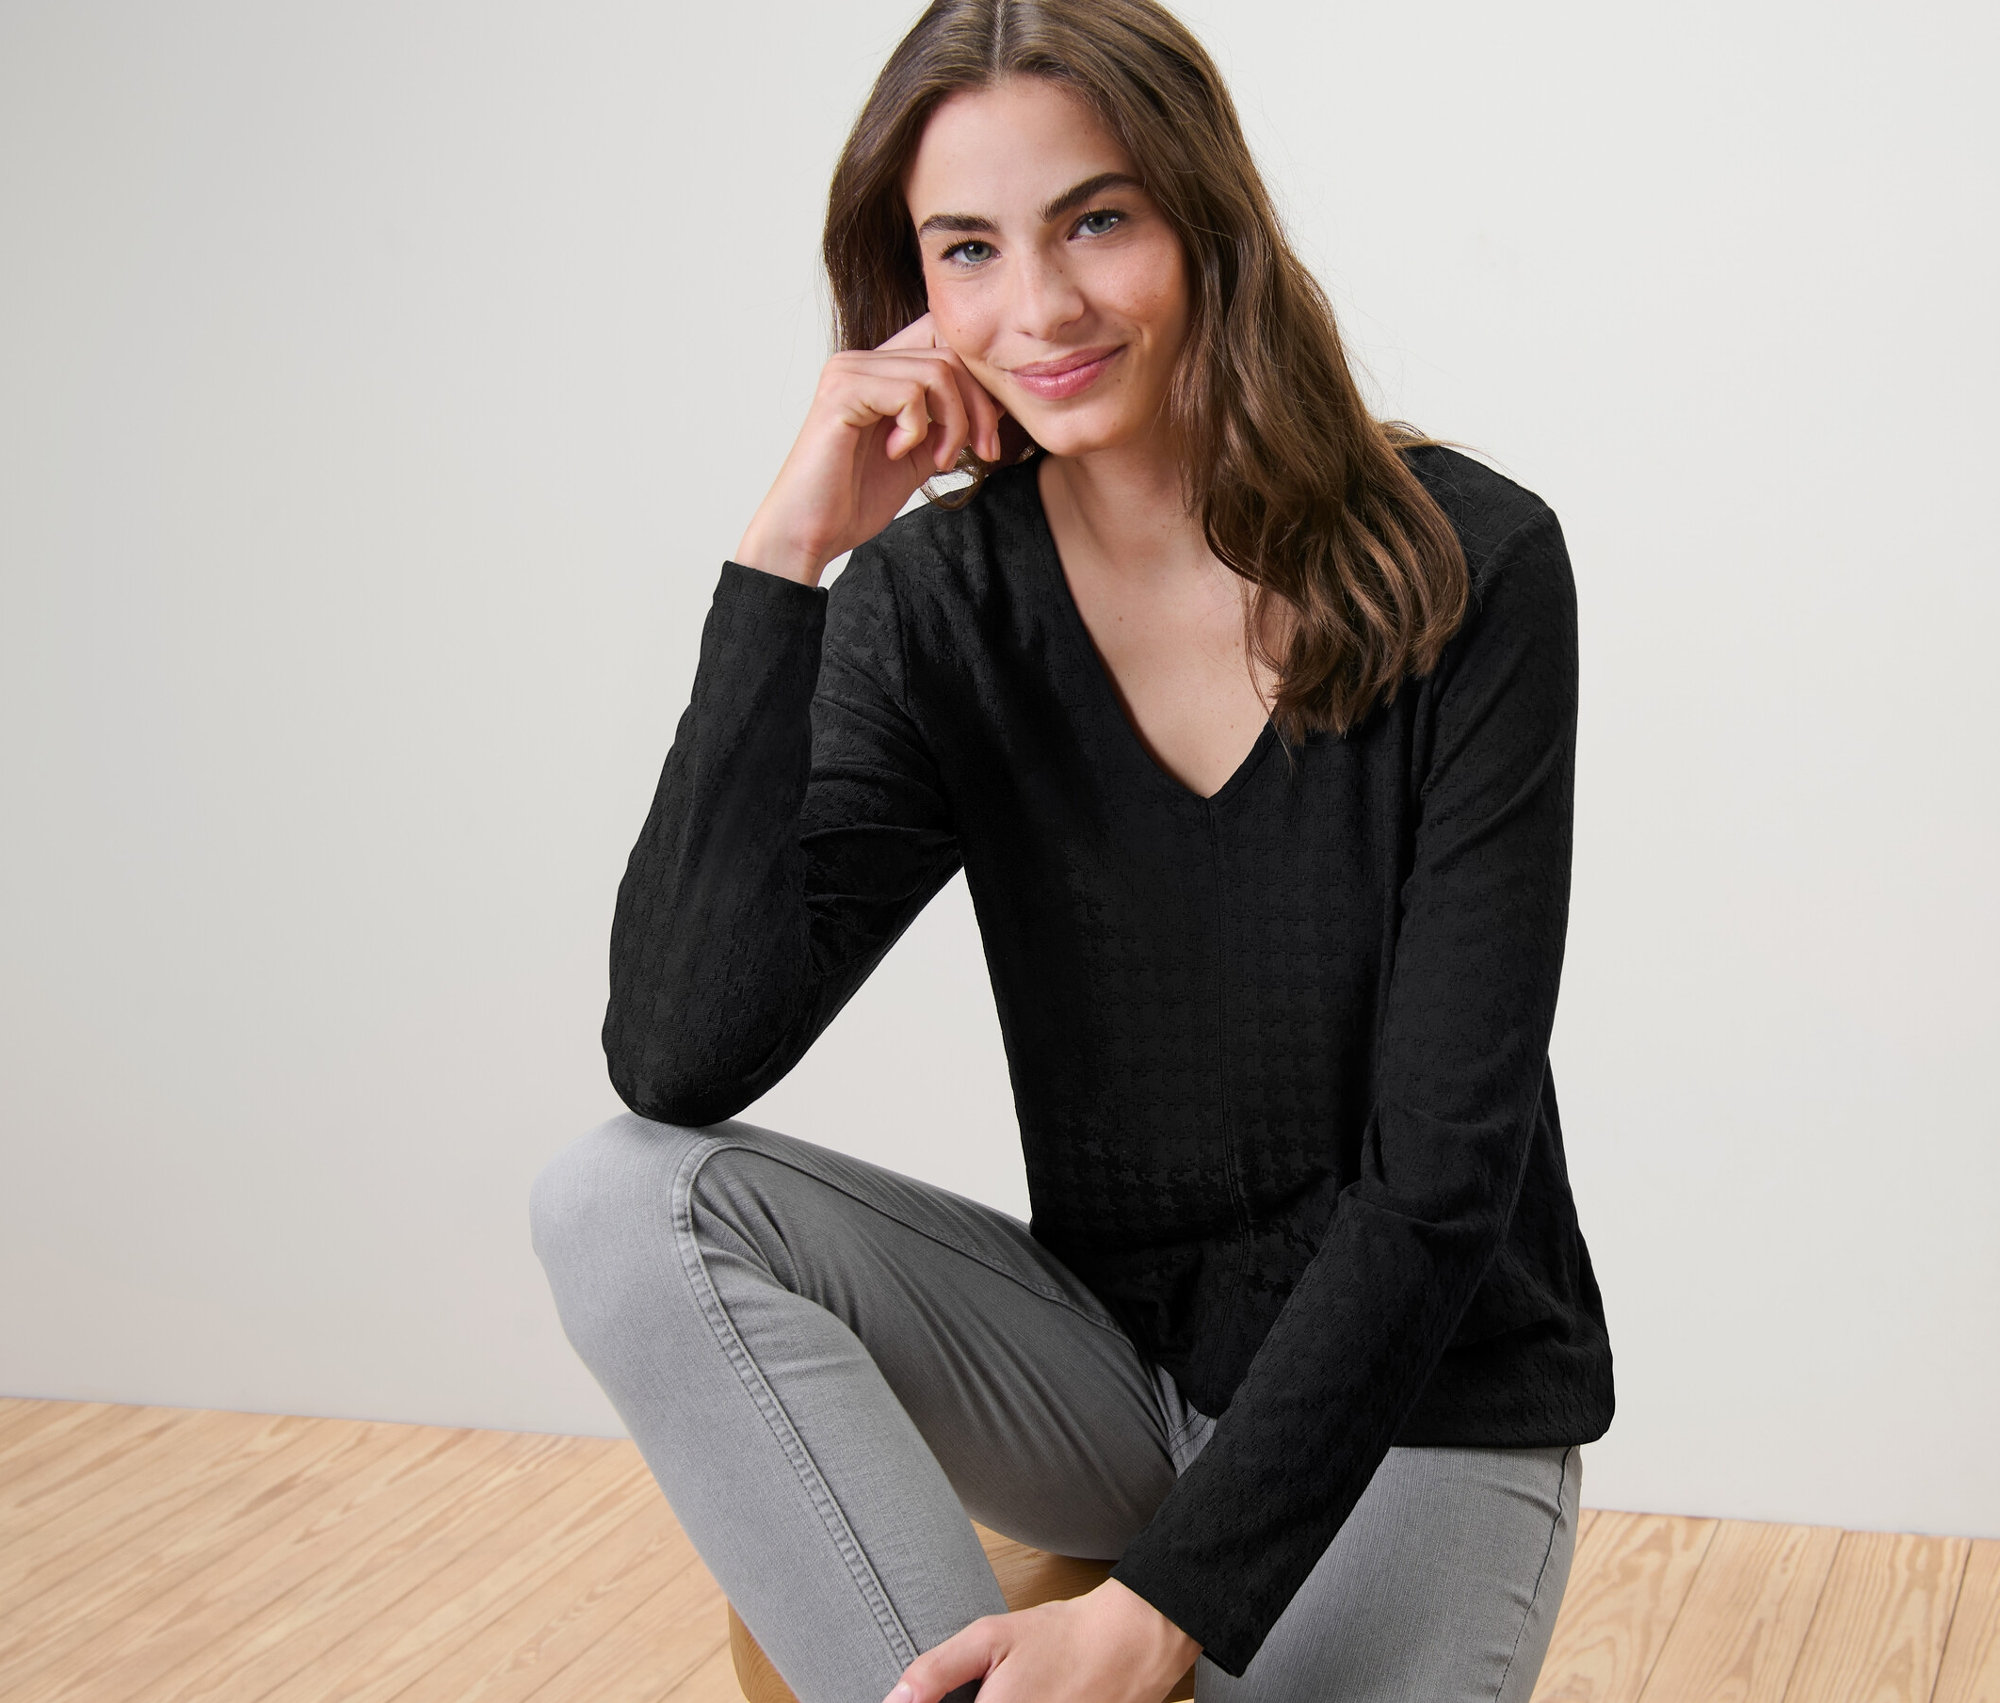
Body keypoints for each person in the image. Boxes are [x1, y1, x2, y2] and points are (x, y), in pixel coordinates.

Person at [530, 1, 1615, 1700]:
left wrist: (1152, 1616)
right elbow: (679, 1053)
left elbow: (1442, 1184)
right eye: (968, 249)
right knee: (622, 1200)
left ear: (1207, 225)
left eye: (1095, 220)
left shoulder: (1468, 569)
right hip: (1114, 1369)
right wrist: (784, 562)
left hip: (1428, 1396)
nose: (1036, 308)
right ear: (914, 293)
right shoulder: (940, 606)